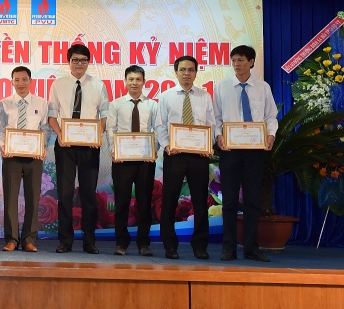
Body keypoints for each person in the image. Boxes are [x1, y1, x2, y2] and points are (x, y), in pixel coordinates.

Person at [214, 45, 277, 263]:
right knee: (229, 201)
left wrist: (271, 135)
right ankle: (228, 248)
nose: (236, 64)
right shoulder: (222, 87)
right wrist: (218, 136)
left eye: (240, 60)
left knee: (252, 201)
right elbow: (216, 118)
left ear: (251, 62)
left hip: (254, 151)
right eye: (233, 60)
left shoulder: (263, 87)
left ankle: (251, 248)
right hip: (230, 151)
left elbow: (271, 116)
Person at [48, 44, 109, 254]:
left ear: (88, 62)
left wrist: (98, 135)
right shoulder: (58, 84)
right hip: (65, 146)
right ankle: (65, 240)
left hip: (89, 147)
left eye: (83, 60)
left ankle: (89, 241)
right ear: (69, 62)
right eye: (75, 60)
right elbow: (52, 115)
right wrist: (60, 134)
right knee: (65, 194)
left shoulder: (98, 85)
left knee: (88, 195)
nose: (79, 64)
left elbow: (104, 115)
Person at [156, 55, 216, 260]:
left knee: (200, 201)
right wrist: (167, 146)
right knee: (170, 200)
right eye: (182, 70)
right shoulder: (166, 96)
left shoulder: (204, 96)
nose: (186, 73)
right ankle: (169, 245)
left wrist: (208, 145)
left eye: (191, 70)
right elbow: (160, 125)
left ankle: (200, 245)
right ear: (176, 72)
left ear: (196, 73)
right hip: (175, 155)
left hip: (198, 156)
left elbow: (211, 124)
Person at [0, 66, 51, 253]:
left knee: (33, 198)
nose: (21, 83)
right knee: (11, 198)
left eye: (24, 79)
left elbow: (45, 128)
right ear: (12, 82)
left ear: (30, 81)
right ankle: (11, 239)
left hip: (34, 156)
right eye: (17, 80)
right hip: (11, 156)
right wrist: (3, 145)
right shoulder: (4, 104)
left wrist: (42, 146)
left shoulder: (42, 103)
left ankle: (29, 240)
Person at [106, 65, 159, 257]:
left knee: (145, 202)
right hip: (122, 161)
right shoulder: (116, 104)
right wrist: (114, 151)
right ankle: (121, 243)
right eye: (131, 79)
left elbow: (157, 129)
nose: (134, 83)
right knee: (122, 202)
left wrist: (154, 150)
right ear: (125, 81)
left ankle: (144, 243)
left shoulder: (152, 105)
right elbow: (111, 130)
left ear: (144, 82)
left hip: (145, 160)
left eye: (138, 79)